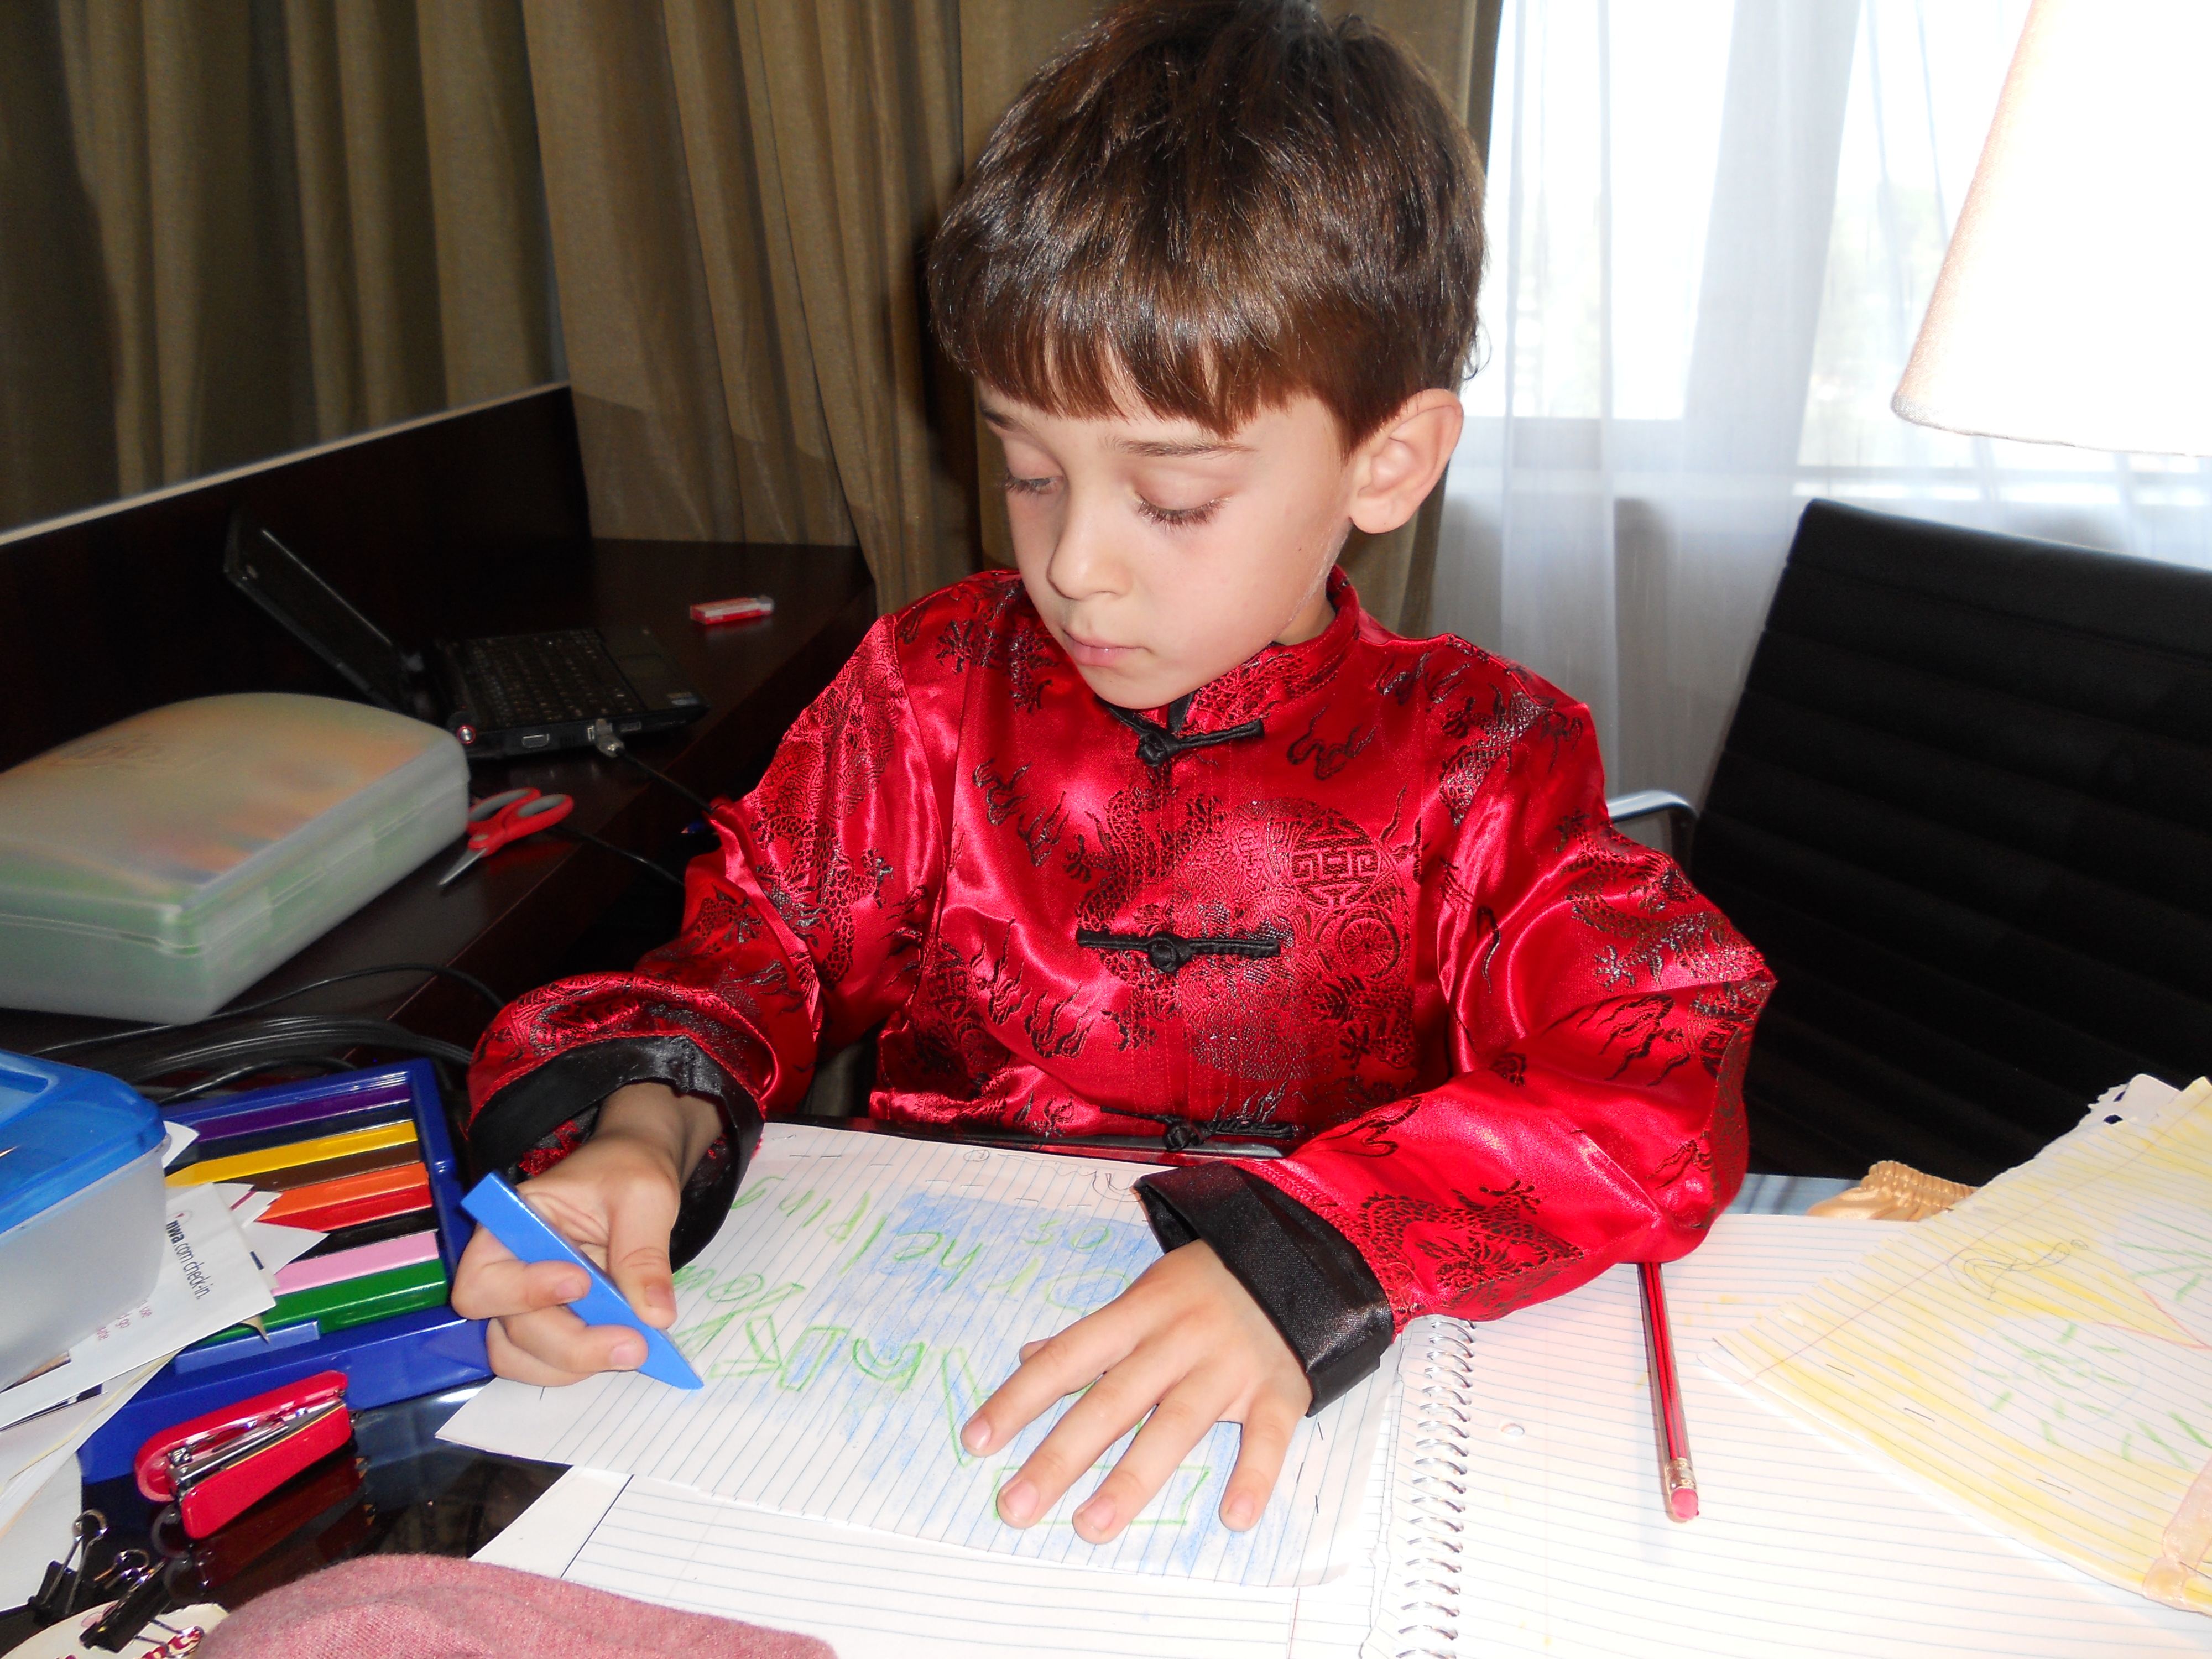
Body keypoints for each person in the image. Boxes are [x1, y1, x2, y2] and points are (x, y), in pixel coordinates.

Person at [450, 0, 1771, 1548]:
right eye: (1028, 469)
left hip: (1307, 1413)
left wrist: (1317, 1255)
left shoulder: (1485, 761)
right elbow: (759, 939)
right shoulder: (934, 691)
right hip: (910, 1369)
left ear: (1388, 461)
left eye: (1174, 497)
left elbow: (1656, 1077)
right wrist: (647, 1125)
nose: (1073, 562)